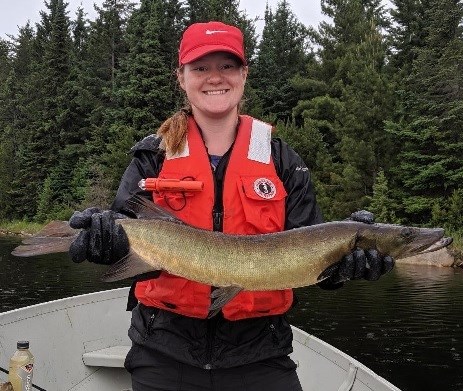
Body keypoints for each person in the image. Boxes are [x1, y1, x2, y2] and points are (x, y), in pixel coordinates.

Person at [68, 21, 394, 391]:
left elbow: (312, 260)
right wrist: (105, 244)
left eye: (227, 66)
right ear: (181, 77)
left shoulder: (283, 161)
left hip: (260, 355)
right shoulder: (152, 157)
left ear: (244, 74)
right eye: (201, 67)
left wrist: (345, 266)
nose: (214, 77)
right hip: (164, 353)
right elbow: (124, 246)